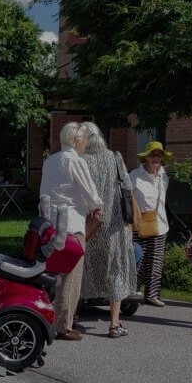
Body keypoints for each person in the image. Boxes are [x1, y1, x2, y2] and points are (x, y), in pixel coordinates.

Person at [39, 122, 103, 342]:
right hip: (72, 225)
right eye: (84, 139)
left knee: (52, 273)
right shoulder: (75, 160)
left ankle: (47, 316)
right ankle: (63, 325)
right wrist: (97, 206)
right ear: (76, 141)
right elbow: (89, 191)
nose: (85, 143)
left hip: (49, 224)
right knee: (71, 277)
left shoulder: (50, 160)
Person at [78, 123, 139, 338]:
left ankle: (71, 317)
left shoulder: (80, 161)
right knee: (116, 271)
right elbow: (128, 187)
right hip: (115, 227)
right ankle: (114, 324)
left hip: (89, 224)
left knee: (83, 268)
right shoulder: (115, 157)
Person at [130, 141, 170, 308]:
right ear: (145, 157)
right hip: (139, 224)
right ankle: (132, 293)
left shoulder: (163, 176)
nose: (156, 158)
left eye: (159, 155)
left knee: (155, 262)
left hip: (159, 224)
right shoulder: (134, 176)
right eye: (153, 155)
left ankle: (152, 295)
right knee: (138, 260)